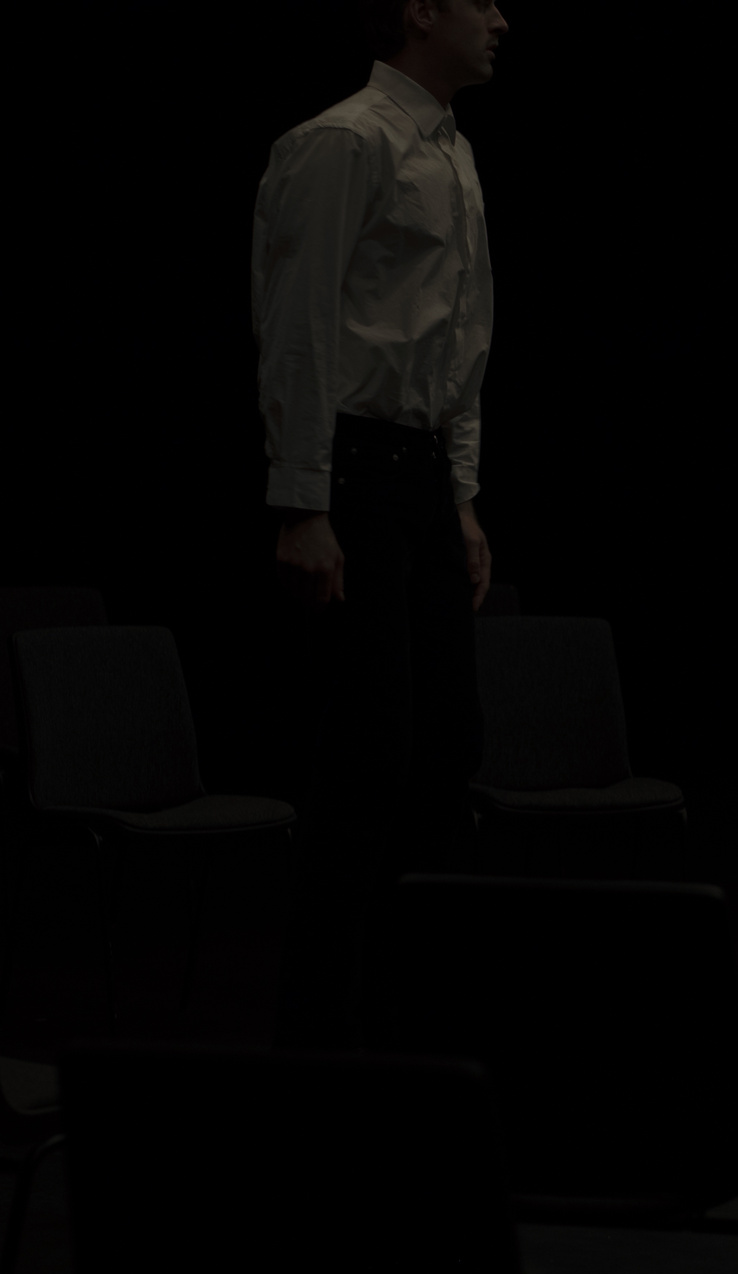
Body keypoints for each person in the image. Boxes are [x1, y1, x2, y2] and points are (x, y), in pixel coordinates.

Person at [253, 0, 510, 1050]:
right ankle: (320, 1030)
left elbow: (461, 338)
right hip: (352, 470)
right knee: (370, 751)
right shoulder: (342, 141)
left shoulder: (453, 152)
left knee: (447, 743)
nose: (501, 20)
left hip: (420, 475)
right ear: (418, 10)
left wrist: (462, 496)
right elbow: (299, 321)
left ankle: (398, 1013)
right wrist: (303, 503)